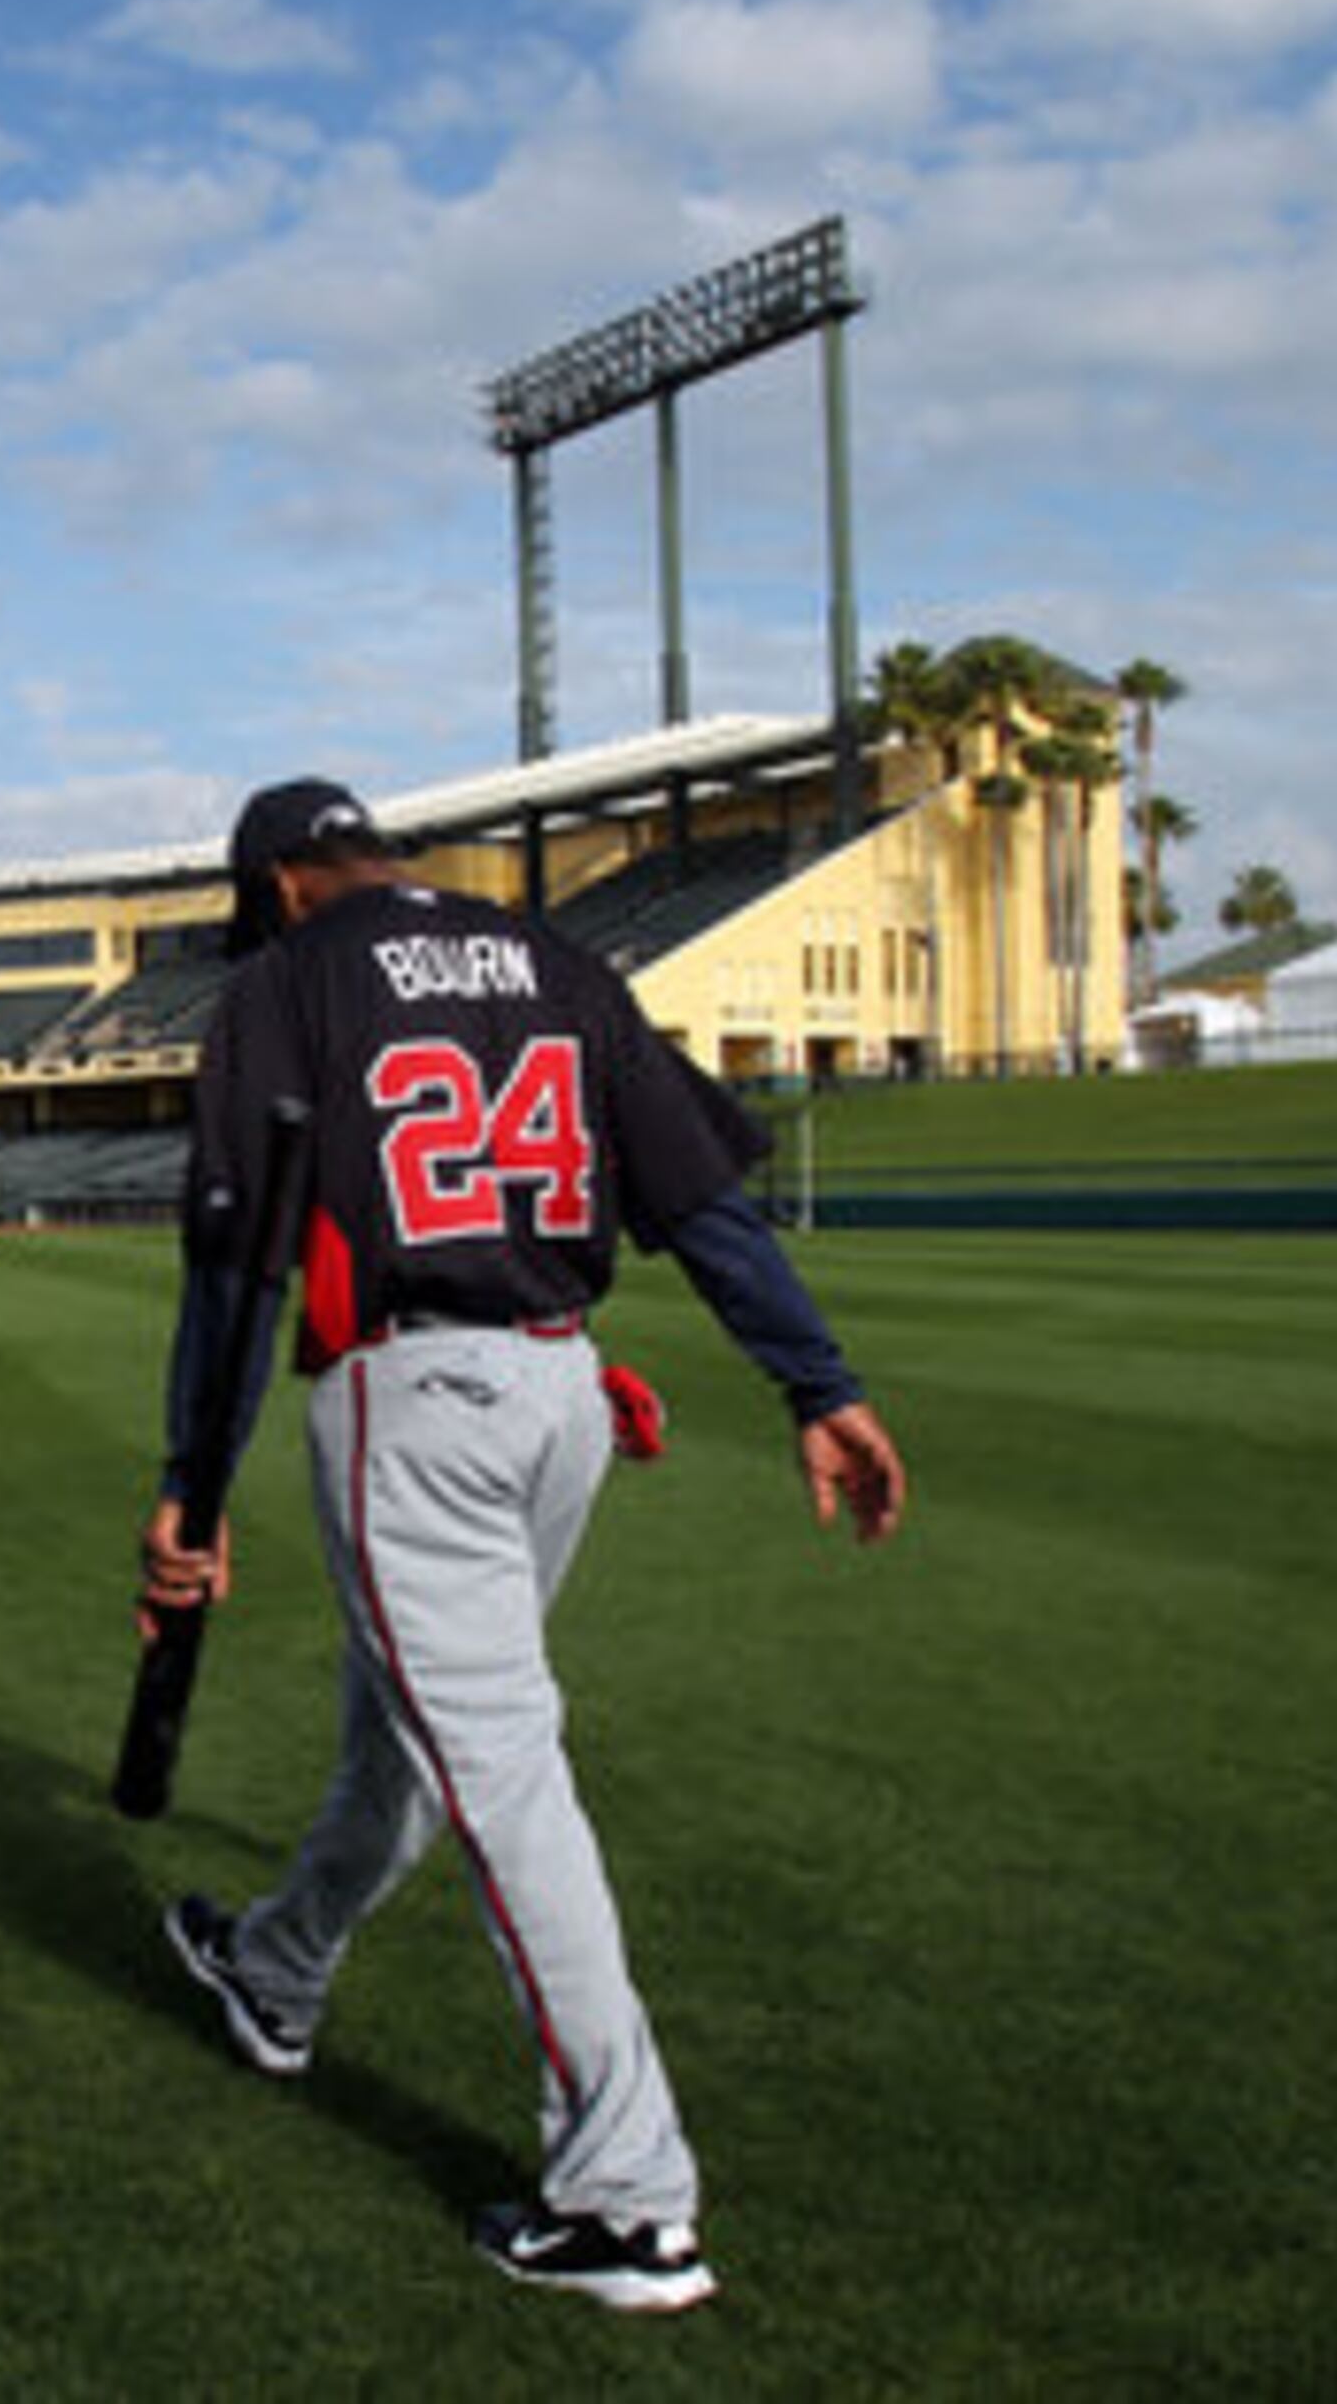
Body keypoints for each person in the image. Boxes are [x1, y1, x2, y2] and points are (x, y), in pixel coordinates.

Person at [138, 776, 908, 2316]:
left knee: (500, 1769)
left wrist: (194, 1491)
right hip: (563, 1385)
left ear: (285, 880)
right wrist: (818, 1381)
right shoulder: (553, 957)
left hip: (416, 1401)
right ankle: (276, 1971)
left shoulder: (285, 979)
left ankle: (629, 2199)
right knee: (413, 1747)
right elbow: (701, 1201)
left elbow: (238, 1267)